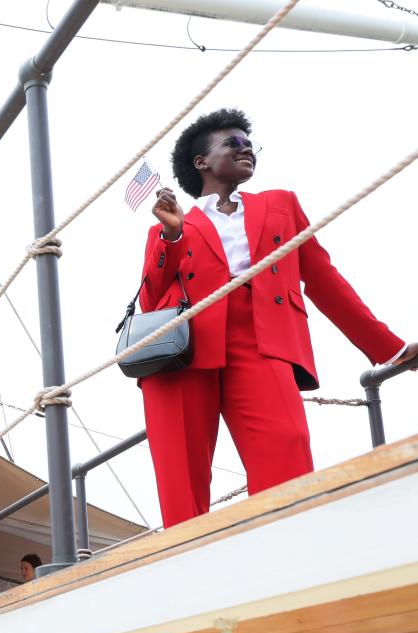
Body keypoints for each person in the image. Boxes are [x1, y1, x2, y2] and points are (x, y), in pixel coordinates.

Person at [140, 108, 416, 528]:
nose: (246, 148)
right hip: (186, 349)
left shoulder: (280, 205)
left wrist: (389, 347)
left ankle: (289, 553)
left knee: (287, 446)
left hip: (261, 338)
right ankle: (189, 578)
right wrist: (173, 236)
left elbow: (324, 281)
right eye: (232, 142)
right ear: (202, 162)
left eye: (250, 143)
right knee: (182, 478)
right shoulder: (175, 224)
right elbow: (151, 300)